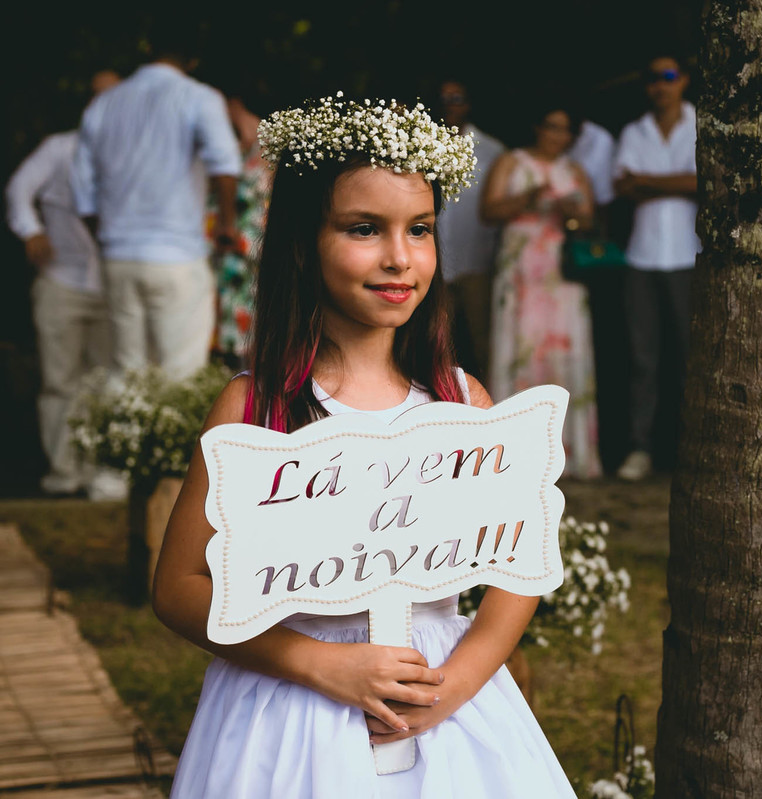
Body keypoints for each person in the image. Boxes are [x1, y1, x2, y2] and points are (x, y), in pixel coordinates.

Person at [152, 95, 575, 796]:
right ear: (304, 241)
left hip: (441, 697)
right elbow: (177, 587)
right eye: (364, 229)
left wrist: (458, 682)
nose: (399, 257)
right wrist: (319, 663)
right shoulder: (257, 408)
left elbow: (518, 566)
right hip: (291, 708)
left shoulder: (461, 402)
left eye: (420, 229)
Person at [71, 21, 241, 380]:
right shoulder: (199, 97)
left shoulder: (104, 103)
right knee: (180, 376)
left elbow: (82, 188)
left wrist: (105, 236)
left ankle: (124, 419)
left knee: (126, 375)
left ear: (148, 48)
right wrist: (227, 223)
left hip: (119, 255)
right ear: (193, 59)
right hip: (177, 254)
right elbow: (225, 165)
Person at [5, 69, 120, 497]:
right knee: (60, 381)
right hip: (61, 280)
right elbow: (18, 189)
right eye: (96, 96)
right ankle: (64, 474)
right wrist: (30, 230)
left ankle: (103, 472)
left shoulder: (133, 153)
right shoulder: (59, 148)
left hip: (113, 286)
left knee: (107, 381)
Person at [482, 100, 602, 480]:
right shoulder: (512, 161)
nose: (559, 136)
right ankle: (513, 457)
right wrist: (527, 199)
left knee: (563, 348)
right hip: (521, 268)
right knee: (520, 346)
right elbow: (487, 211)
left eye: (566, 130)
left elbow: (590, 221)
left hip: (561, 269)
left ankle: (569, 452)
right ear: (537, 126)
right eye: (552, 126)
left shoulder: (574, 170)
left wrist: (573, 213)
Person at [612, 53, 700, 482]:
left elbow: (705, 183)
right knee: (642, 359)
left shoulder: (702, 125)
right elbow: (622, 186)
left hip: (688, 256)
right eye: (652, 78)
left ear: (683, 79)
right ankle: (640, 448)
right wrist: (679, 182)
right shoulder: (634, 130)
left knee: (689, 359)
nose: (660, 85)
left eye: (668, 75)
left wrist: (648, 180)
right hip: (642, 257)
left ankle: (689, 451)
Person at [433, 79, 506, 380]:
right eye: (444, 99)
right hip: (434, 263)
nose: (450, 105)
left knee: (483, 341)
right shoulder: (424, 142)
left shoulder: (492, 150)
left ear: (469, 103)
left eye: (457, 98)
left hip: (477, 259)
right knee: (434, 343)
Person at [210, 89, 271, 366]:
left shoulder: (267, 148)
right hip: (233, 247)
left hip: (253, 245)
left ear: (234, 104)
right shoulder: (235, 149)